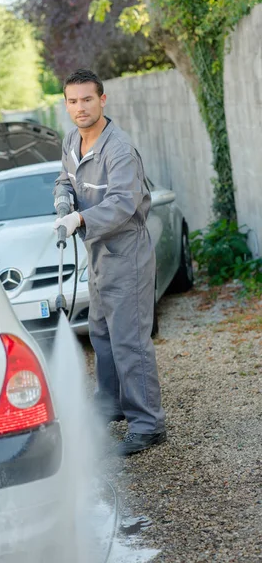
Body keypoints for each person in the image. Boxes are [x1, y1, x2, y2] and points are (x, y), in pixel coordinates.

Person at [54, 69, 166, 456]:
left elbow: (122, 203)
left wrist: (81, 219)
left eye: (87, 99)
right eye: (73, 101)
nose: (80, 107)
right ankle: (111, 405)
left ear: (103, 100)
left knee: (129, 341)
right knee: (100, 334)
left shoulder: (119, 150)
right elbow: (65, 180)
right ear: (66, 104)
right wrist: (63, 203)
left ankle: (148, 424)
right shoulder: (72, 140)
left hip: (126, 254)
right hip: (98, 254)